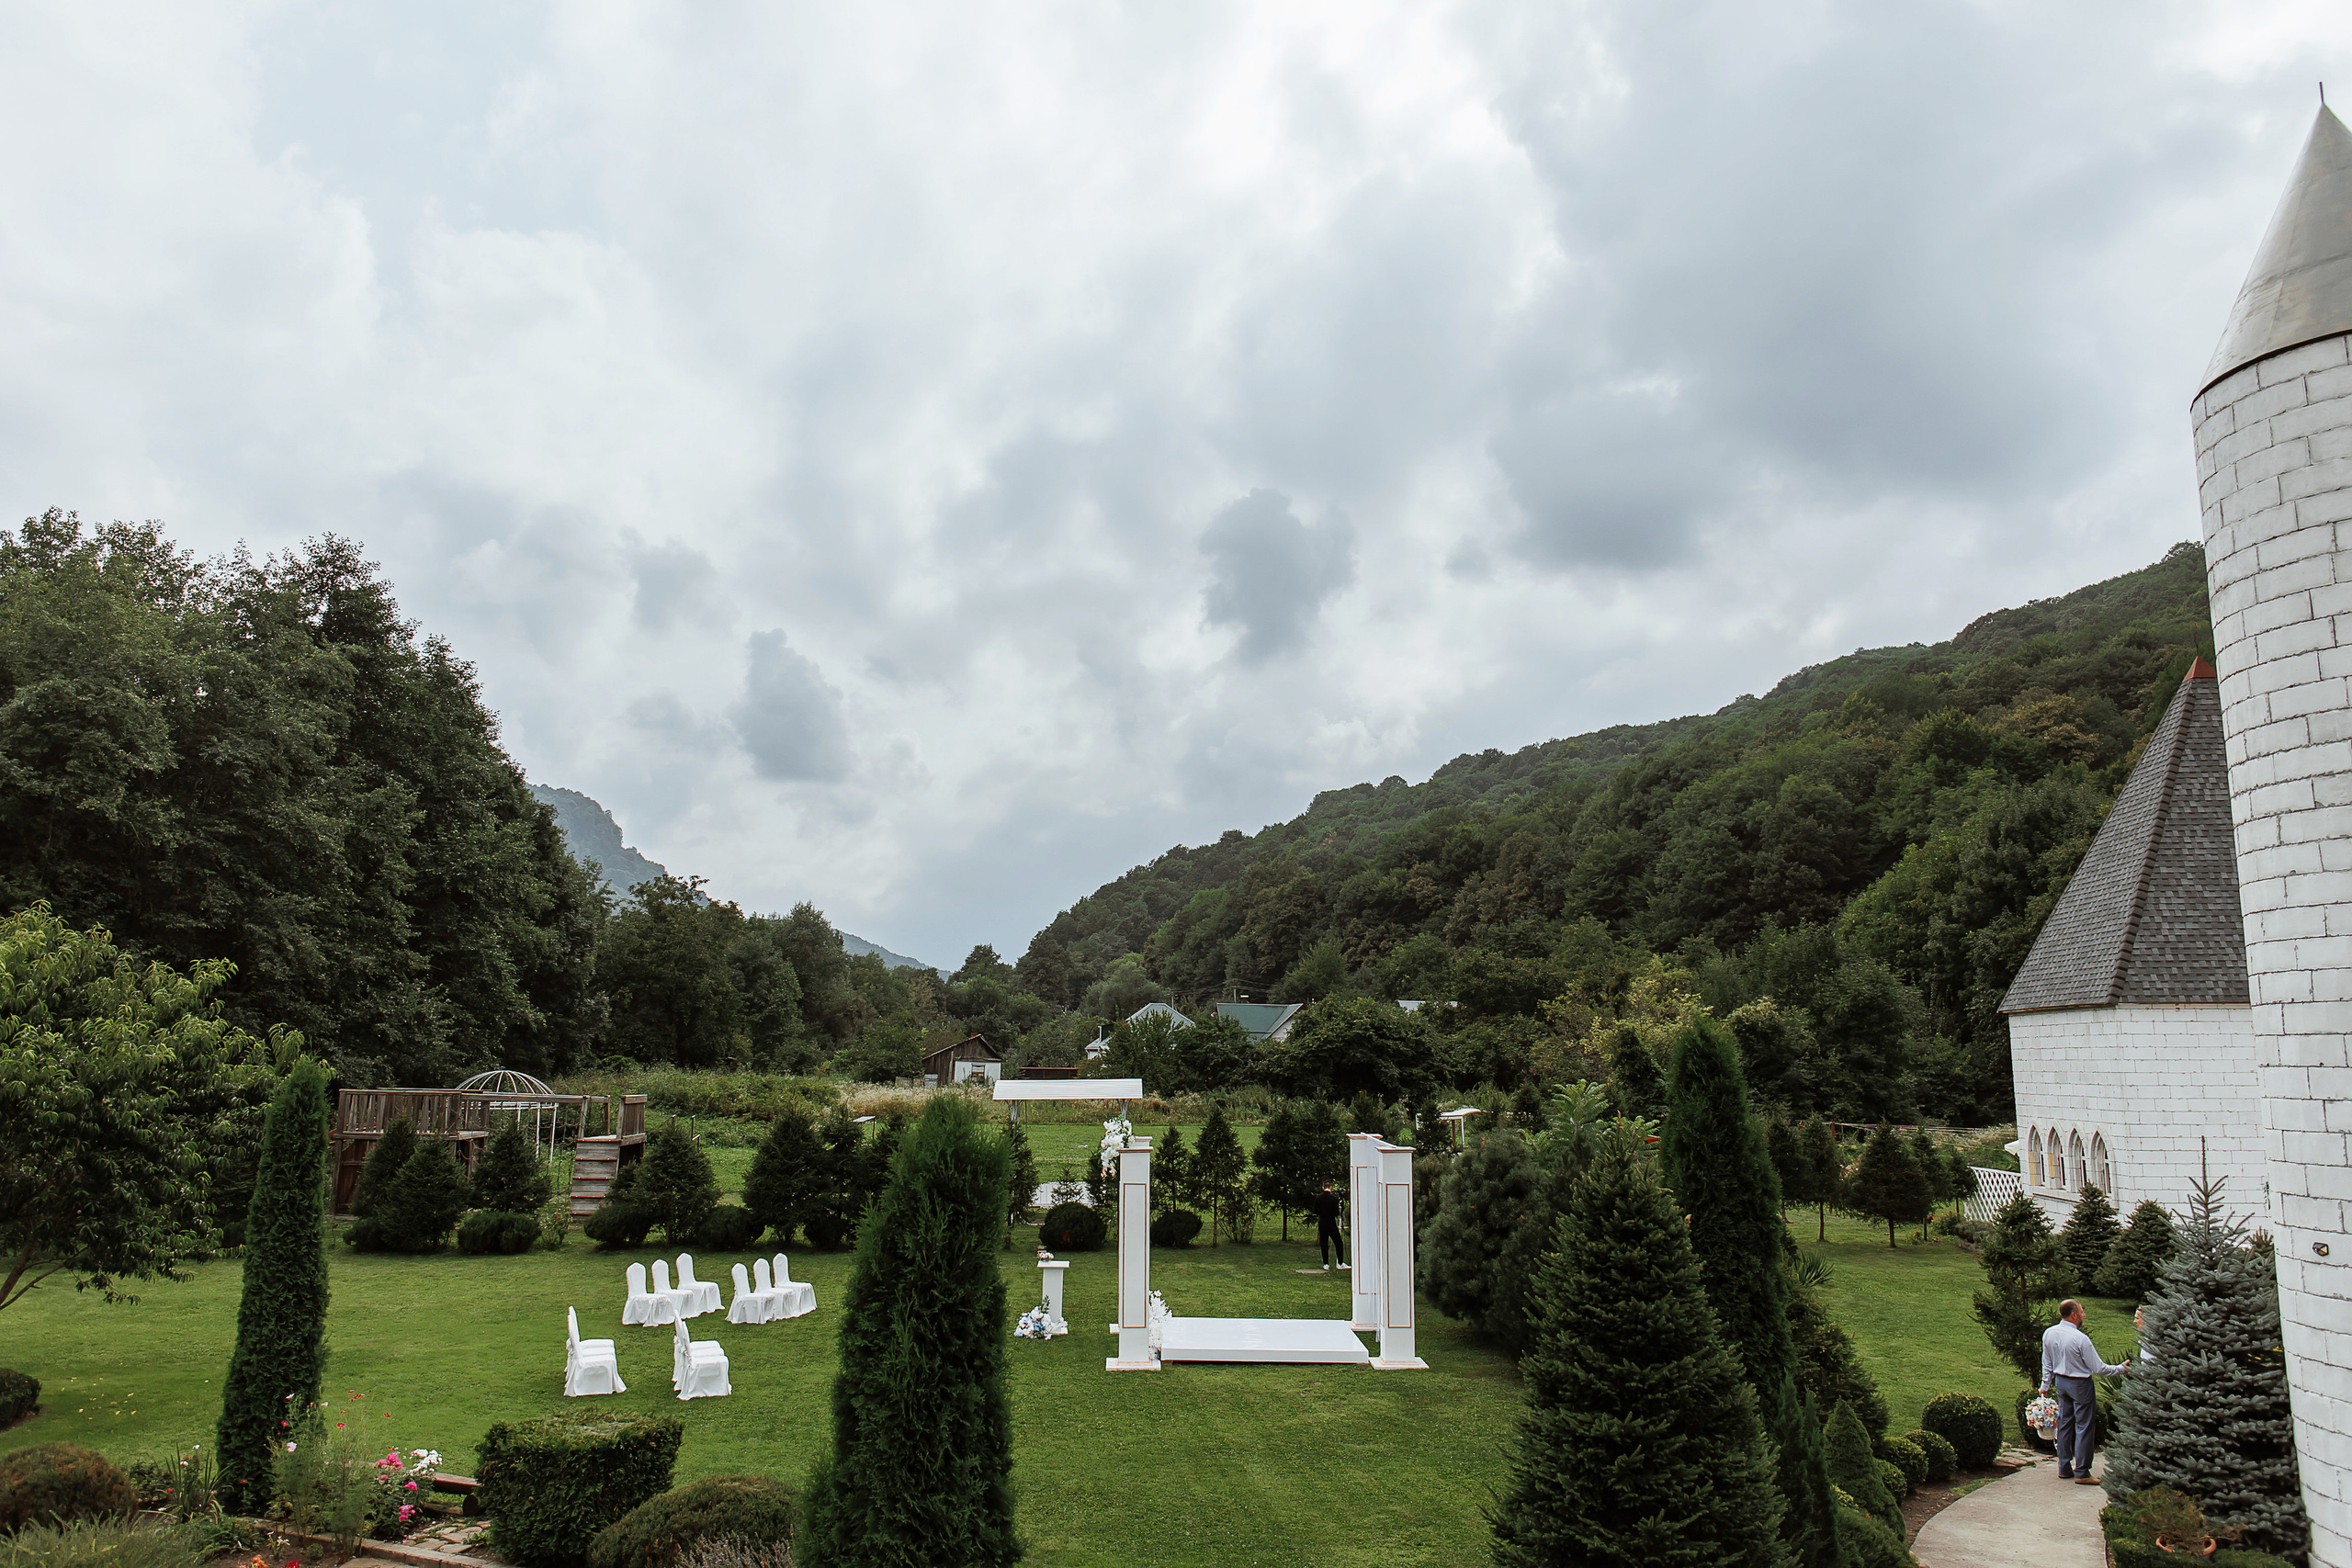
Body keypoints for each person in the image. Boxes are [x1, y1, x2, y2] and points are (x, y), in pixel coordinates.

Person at [2040, 1299, 2129, 1483]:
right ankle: (2082, 1472)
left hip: (2061, 1383)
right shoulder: (2080, 1339)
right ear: (2074, 1315)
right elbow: (2099, 1368)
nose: (2084, 1315)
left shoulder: (2049, 1333)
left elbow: (2046, 1363)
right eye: (2081, 1311)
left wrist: (2045, 1386)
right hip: (2080, 1385)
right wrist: (2121, 1369)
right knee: (2084, 1427)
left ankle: (2063, 1467)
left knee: (2064, 1424)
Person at [1308, 1181, 1348, 1271]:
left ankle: (1326, 1264)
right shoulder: (1334, 1199)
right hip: (1331, 1223)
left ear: (1323, 1187)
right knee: (1338, 1242)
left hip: (1322, 1223)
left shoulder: (1318, 1198)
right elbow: (1336, 1213)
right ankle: (1340, 1262)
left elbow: (1315, 1211)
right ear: (1330, 1188)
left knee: (1324, 1244)